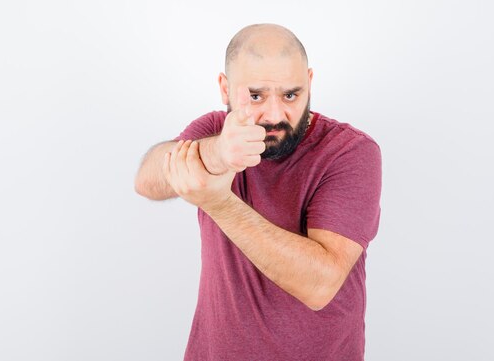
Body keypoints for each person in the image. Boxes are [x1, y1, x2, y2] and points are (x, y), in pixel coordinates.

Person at [134, 23, 382, 361]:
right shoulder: (216, 131)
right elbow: (147, 180)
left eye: (291, 95)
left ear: (309, 83)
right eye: (255, 96)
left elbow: (319, 285)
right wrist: (217, 154)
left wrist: (219, 202)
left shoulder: (349, 152)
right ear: (225, 89)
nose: (275, 114)